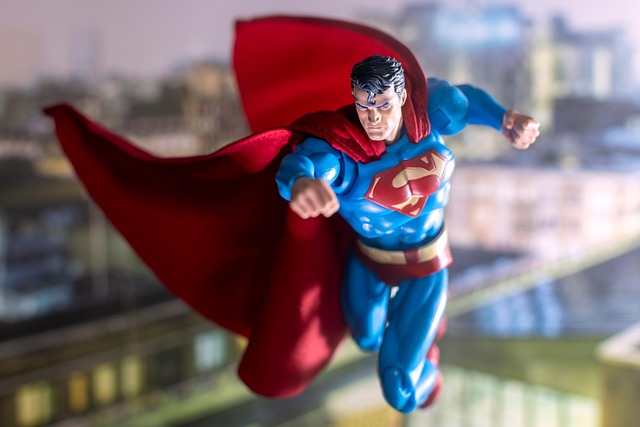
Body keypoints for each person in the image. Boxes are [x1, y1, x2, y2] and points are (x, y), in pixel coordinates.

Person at [275, 54, 539, 412]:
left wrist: (503, 119)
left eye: (383, 105)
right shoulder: (343, 148)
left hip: (426, 264)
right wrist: (302, 182)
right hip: (369, 259)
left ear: (401, 96)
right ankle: (414, 334)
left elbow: (465, 100)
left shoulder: (431, 114)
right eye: (364, 106)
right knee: (366, 338)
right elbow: (303, 163)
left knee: (401, 389)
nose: (373, 118)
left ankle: (428, 368)